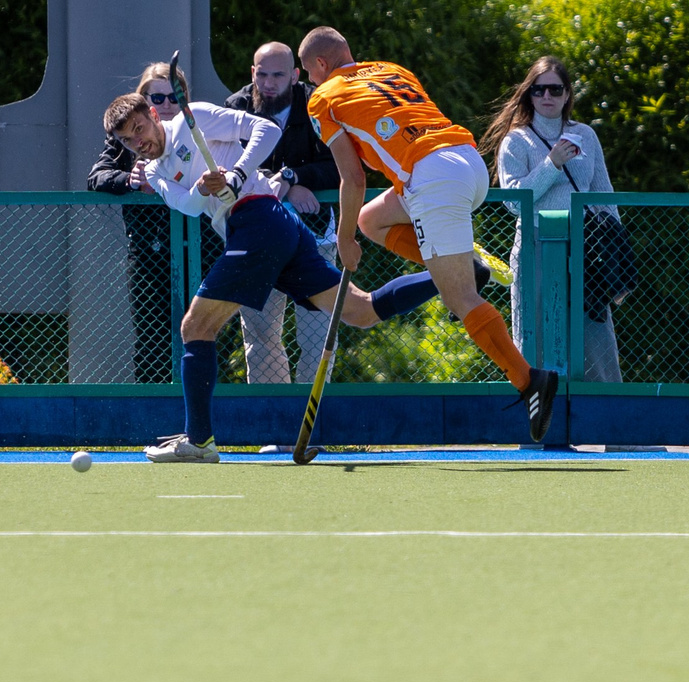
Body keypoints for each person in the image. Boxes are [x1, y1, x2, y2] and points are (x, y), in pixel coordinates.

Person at [105, 85, 443, 463]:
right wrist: (205, 187)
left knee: (196, 328)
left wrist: (236, 174)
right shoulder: (154, 170)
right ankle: (450, 278)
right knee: (359, 312)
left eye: (139, 129)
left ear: (153, 117)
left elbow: (267, 131)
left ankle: (199, 441)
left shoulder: (193, 116)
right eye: (127, 140)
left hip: (260, 218)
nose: (138, 142)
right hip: (268, 229)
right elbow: (186, 205)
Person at [298, 28, 560, 440]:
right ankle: (460, 265)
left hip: (432, 178)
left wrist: (344, 239)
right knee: (372, 220)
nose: (310, 81)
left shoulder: (323, 97)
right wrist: (357, 228)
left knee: (459, 297)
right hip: (467, 161)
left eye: (308, 73)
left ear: (320, 65)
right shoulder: (390, 68)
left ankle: (530, 382)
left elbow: (352, 176)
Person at [484, 57, 623, 384]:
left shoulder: (585, 136)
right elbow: (514, 201)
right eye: (538, 89)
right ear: (528, 94)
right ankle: (539, 433)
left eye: (555, 89)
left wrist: (617, 253)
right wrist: (552, 164)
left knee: (599, 343)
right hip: (535, 248)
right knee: (534, 343)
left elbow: (603, 194)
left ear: (567, 94)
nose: (547, 96)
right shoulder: (516, 141)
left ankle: (620, 436)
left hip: (586, 251)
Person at [228, 44, 342, 384]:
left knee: (317, 336)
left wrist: (295, 176)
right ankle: (274, 428)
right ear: (252, 73)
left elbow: (341, 167)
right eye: (261, 74)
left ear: (294, 76)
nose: (269, 83)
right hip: (256, 238)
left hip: (314, 236)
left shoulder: (317, 105)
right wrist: (286, 184)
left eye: (278, 75)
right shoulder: (236, 108)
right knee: (260, 336)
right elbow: (228, 168)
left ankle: (309, 430)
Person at [88, 94, 176, 385]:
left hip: (197, 251)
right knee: (151, 340)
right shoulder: (123, 144)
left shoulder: (193, 129)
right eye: (127, 139)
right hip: (147, 253)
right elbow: (96, 178)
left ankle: (201, 421)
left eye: (172, 97)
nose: (136, 141)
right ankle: (153, 420)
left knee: (200, 340)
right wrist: (130, 179)